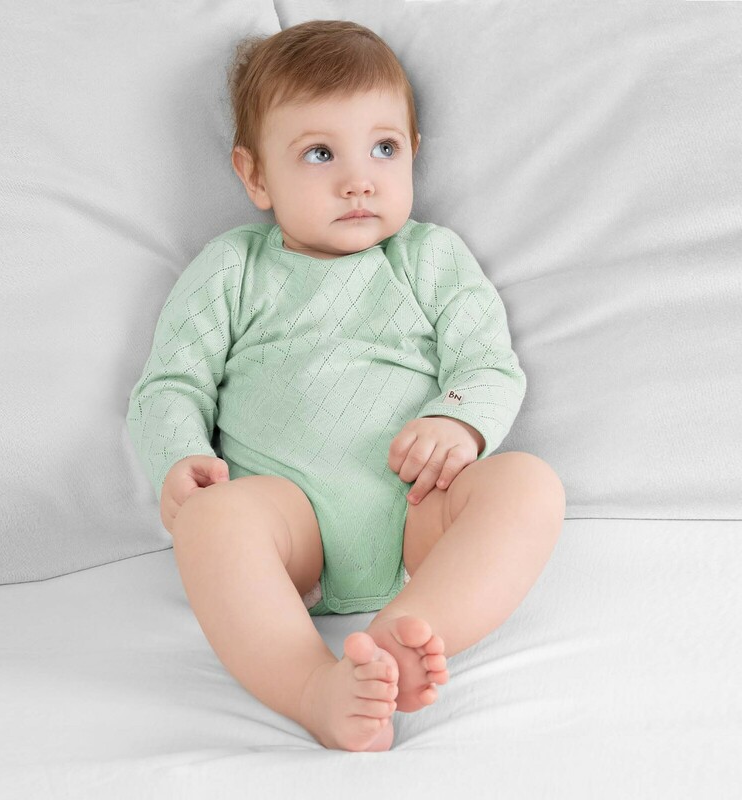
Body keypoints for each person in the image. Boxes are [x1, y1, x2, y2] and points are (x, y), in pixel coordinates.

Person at [126, 19, 565, 752]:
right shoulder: (232, 268)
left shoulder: (431, 258)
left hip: (419, 510)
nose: (359, 179)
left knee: (529, 486)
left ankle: (410, 631)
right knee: (210, 525)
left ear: (414, 152)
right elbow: (171, 382)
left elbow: (488, 363)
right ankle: (311, 687)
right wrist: (179, 457)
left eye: (384, 149)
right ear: (255, 176)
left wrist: (458, 423)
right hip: (288, 524)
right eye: (320, 153)